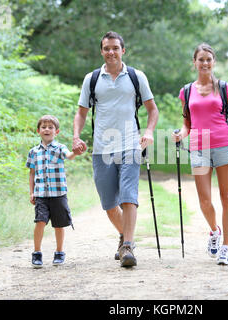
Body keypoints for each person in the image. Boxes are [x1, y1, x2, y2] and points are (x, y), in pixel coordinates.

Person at [72, 31, 158, 268]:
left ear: (123, 51)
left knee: (129, 197)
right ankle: (124, 236)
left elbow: (153, 110)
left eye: (115, 48)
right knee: (109, 204)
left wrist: (149, 131)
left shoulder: (135, 76)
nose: (111, 52)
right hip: (102, 149)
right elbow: (81, 112)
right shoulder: (92, 79)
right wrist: (76, 136)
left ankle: (128, 246)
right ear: (101, 51)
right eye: (107, 48)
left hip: (130, 145)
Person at [172, 43, 228, 265]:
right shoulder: (187, 91)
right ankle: (214, 231)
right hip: (199, 146)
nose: (205, 63)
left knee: (226, 197)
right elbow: (186, 123)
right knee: (204, 200)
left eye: (209, 59)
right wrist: (181, 134)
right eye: (201, 59)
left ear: (214, 62)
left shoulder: (224, 87)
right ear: (194, 62)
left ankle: (227, 247)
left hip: (222, 144)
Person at [26, 115, 78, 268]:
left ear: (57, 131)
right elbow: (31, 173)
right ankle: (36, 253)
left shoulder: (60, 148)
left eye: (50, 127)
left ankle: (59, 252)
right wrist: (31, 192)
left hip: (58, 194)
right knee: (40, 222)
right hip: (41, 194)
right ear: (38, 131)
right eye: (44, 127)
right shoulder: (34, 151)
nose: (47, 129)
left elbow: (69, 156)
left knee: (59, 224)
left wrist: (76, 152)